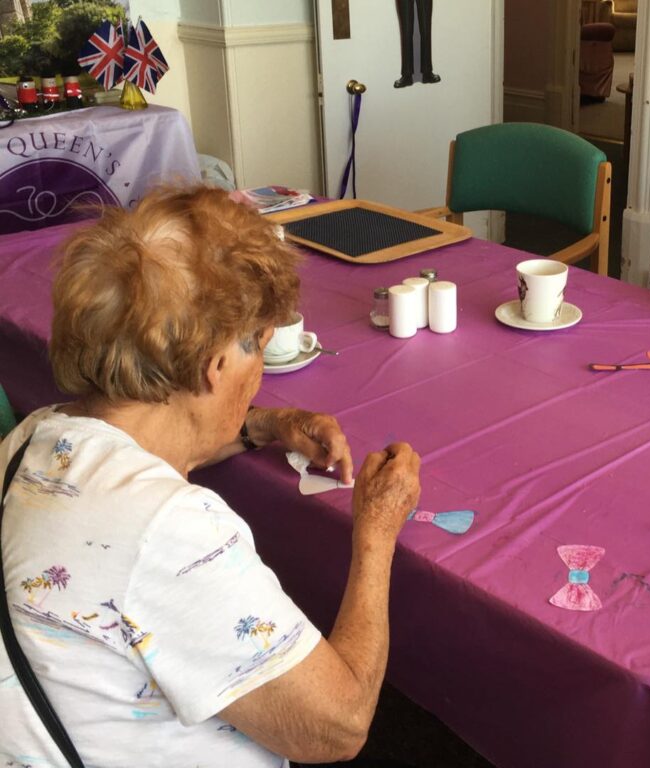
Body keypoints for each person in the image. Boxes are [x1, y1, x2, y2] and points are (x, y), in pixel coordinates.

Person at [0, 186, 421, 766]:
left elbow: (149, 438)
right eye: (259, 352)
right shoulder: (167, 530)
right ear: (216, 366)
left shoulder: (37, 437)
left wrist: (261, 427)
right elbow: (338, 727)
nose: (258, 377)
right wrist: (376, 530)